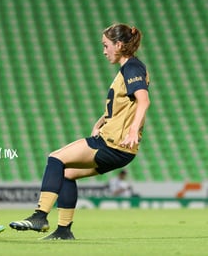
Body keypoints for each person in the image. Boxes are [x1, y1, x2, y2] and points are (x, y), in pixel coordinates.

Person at [9, 23, 150, 240]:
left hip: (112, 144)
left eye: (106, 45)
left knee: (55, 158)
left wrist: (132, 130)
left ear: (119, 45)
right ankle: (64, 230)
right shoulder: (127, 69)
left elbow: (143, 100)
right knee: (66, 174)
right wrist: (101, 120)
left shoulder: (132, 68)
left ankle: (40, 216)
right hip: (120, 149)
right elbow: (123, 105)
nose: (104, 51)